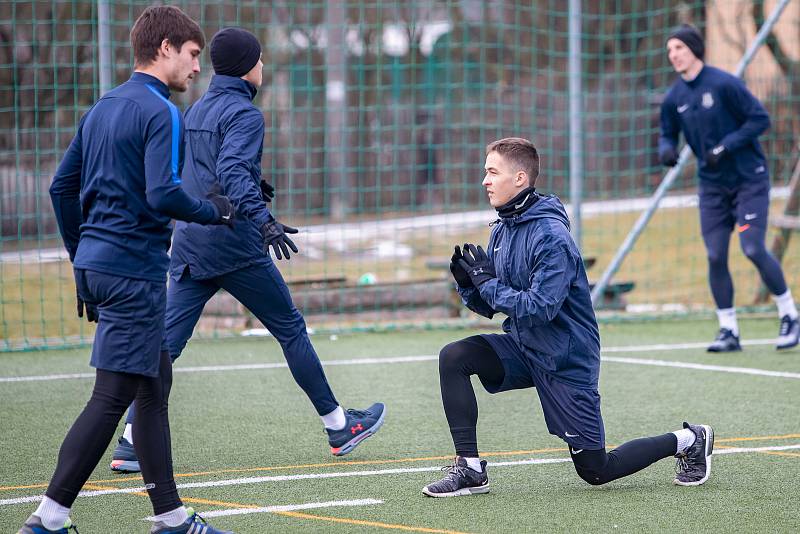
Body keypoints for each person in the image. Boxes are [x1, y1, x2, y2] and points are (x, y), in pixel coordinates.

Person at [108, 27, 385, 474]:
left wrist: (254, 187)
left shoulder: (196, 107)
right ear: (248, 67)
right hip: (234, 246)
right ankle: (338, 425)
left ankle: (130, 441)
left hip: (190, 243)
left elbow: (204, 172)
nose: (263, 67)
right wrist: (265, 220)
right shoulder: (245, 114)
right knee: (290, 328)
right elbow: (232, 169)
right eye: (259, 59)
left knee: (166, 345)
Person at [20, 7, 235, 534]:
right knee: (113, 396)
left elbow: (60, 189)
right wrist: (215, 211)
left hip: (99, 266)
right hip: (133, 272)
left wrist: (83, 257)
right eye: (190, 56)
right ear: (165, 48)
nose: (194, 69)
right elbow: (162, 192)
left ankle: (172, 518)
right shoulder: (162, 112)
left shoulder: (103, 106)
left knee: (153, 387)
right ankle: (49, 518)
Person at [421, 137, 713, 498]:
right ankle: (470, 469)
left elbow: (539, 306)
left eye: (492, 172)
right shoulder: (501, 229)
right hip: (525, 346)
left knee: (596, 470)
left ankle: (688, 439)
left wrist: (489, 283)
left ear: (521, 178)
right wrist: (469, 285)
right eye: (486, 172)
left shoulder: (551, 237)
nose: (485, 181)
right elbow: (493, 306)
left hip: (565, 358)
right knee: (455, 356)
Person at [658, 24, 799, 352]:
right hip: (711, 188)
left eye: (678, 47)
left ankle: (790, 315)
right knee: (715, 254)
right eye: (669, 50)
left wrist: (726, 146)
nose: (673, 55)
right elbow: (667, 132)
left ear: (693, 49)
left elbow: (759, 119)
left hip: (749, 179)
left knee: (752, 247)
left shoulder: (724, 84)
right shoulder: (674, 98)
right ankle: (728, 330)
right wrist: (666, 149)